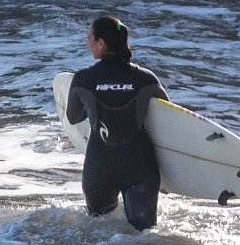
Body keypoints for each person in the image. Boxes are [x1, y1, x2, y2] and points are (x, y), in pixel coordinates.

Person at [65, 15, 167, 231]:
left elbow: (73, 118)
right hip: (141, 168)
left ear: (101, 43)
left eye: (89, 38)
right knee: (144, 238)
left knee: (98, 235)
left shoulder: (83, 79)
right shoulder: (146, 79)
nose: (87, 43)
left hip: (100, 168)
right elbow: (167, 120)